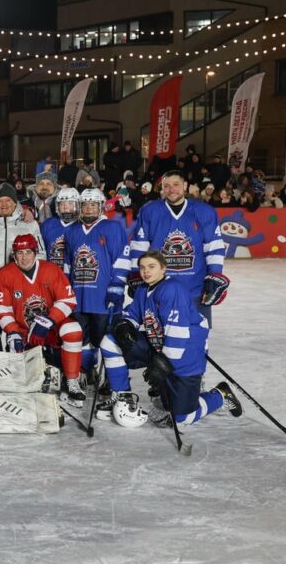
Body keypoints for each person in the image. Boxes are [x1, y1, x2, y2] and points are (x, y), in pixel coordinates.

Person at [96, 250, 241, 428]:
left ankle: (221, 395)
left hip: (186, 353)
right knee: (110, 342)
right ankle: (122, 397)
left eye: (151, 267)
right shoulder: (143, 289)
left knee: (183, 417)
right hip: (158, 347)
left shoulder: (173, 290)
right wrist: (124, 325)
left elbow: (178, 332)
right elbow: (132, 313)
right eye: (142, 267)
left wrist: (164, 365)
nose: (145, 271)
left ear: (163, 269)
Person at [0, 234, 86, 407]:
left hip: (51, 328)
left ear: (35, 252)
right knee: (22, 380)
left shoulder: (50, 269)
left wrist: (46, 323)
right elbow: (2, 309)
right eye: (19, 253)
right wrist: (13, 332)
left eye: (28, 252)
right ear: (14, 254)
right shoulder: (5, 274)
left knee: (73, 329)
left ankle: (72, 380)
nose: (24, 258)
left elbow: (68, 301)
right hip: (23, 332)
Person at [128, 170, 227, 323]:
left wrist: (215, 276)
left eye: (176, 185)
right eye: (166, 186)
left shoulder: (204, 211)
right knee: (159, 339)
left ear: (185, 186)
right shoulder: (149, 211)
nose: (171, 189)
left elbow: (213, 247)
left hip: (195, 289)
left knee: (196, 337)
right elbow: (139, 247)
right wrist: (136, 274)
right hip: (158, 288)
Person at [64, 188, 132, 384]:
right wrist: (65, 291)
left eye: (93, 205)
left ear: (101, 207)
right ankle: (87, 370)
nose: (89, 209)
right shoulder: (72, 231)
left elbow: (122, 259)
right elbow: (68, 265)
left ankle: (111, 379)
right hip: (79, 298)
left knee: (107, 340)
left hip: (103, 298)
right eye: (85, 205)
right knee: (83, 339)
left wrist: (116, 288)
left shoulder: (112, 227)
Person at [0, 183, 45, 271]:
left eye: (8, 200)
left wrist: (30, 276)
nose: (4, 204)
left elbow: (40, 253)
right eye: (0, 201)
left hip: (21, 280)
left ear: (15, 203)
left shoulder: (29, 223)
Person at [40, 187, 80, 269]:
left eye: (70, 203)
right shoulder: (48, 225)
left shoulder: (82, 226)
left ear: (78, 204)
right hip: (51, 274)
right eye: (62, 204)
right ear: (57, 206)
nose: (65, 207)